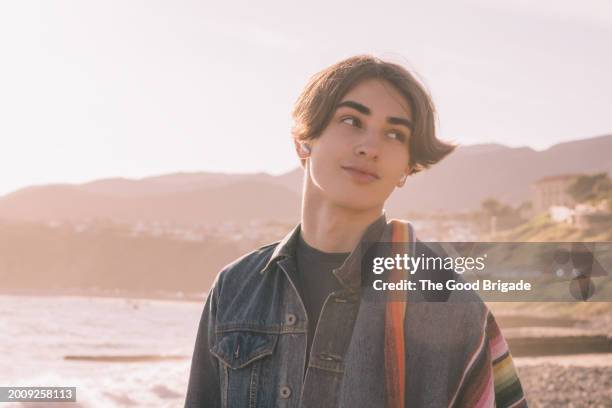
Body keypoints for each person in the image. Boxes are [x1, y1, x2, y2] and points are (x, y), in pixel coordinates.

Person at [185, 55, 527, 407]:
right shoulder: (236, 286)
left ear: (406, 168)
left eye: (395, 134)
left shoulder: (451, 304)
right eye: (351, 120)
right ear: (304, 140)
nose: (370, 147)